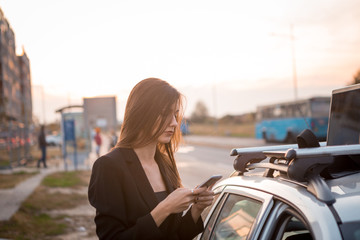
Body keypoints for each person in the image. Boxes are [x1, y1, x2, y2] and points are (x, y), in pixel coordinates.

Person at [88, 78, 215, 239]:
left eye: (175, 114)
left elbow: (175, 235)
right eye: (164, 114)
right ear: (141, 114)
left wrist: (196, 209)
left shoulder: (165, 163)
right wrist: (165, 208)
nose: (174, 123)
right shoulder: (108, 167)